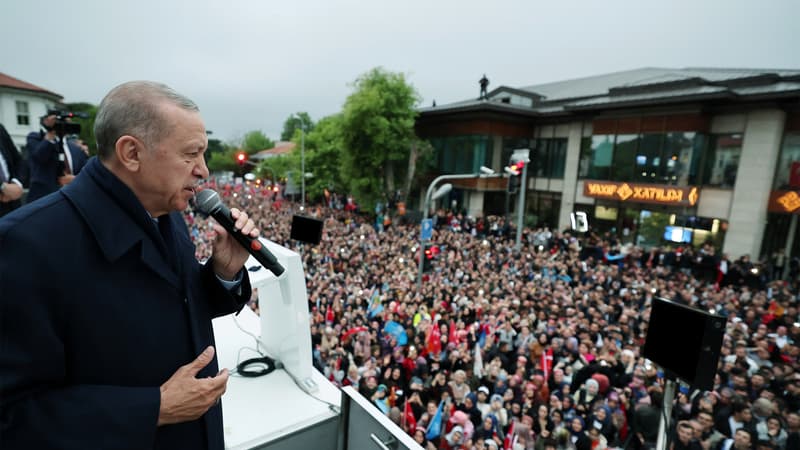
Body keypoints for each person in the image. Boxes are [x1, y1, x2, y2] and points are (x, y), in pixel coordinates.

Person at [0, 81, 259, 449]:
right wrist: (154, 408)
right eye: (191, 154)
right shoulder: (25, 244)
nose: (203, 171)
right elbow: (12, 416)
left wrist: (223, 273)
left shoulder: (165, 211)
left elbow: (172, 307)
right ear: (132, 153)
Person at [25, 112, 88, 203]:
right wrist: (51, 132)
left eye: (66, 122)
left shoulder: (76, 148)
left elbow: (86, 171)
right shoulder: (36, 138)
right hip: (43, 201)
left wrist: (75, 180)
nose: (62, 125)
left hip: (73, 201)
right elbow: (39, 157)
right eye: (57, 122)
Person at [0, 123, 25, 216]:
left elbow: (18, 160)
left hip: (13, 203)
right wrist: (3, 187)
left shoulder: (0, 128)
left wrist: (17, 183)